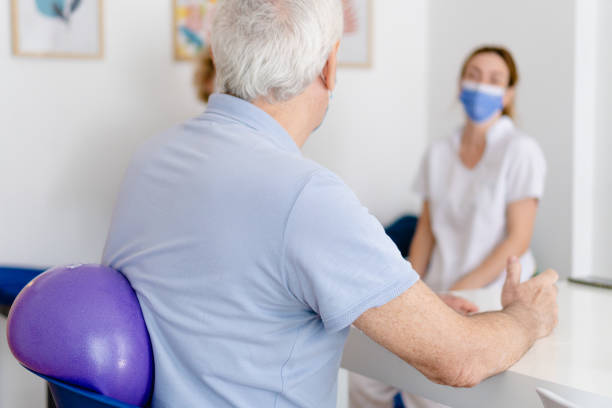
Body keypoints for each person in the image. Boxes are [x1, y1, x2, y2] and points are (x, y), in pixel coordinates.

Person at [102, 2, 558, 407]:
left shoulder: (149, 159)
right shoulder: (306, 198)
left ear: (220, 56)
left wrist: (409, 304)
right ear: (329, 66)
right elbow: (460, 360)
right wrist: (527, 316)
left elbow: (237, 301)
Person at [351, 45, 548, 408]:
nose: (481, 86)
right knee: (365, 375)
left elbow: (518, 238)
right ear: (460, 85)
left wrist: (461, 292)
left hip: (489, 296)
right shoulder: (439, 152)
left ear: (508, 94)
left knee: (433, 390)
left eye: (494, 79)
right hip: (439, 289)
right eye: (473, 75)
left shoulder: (521, 151)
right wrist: (409, 285)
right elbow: (425, 230)